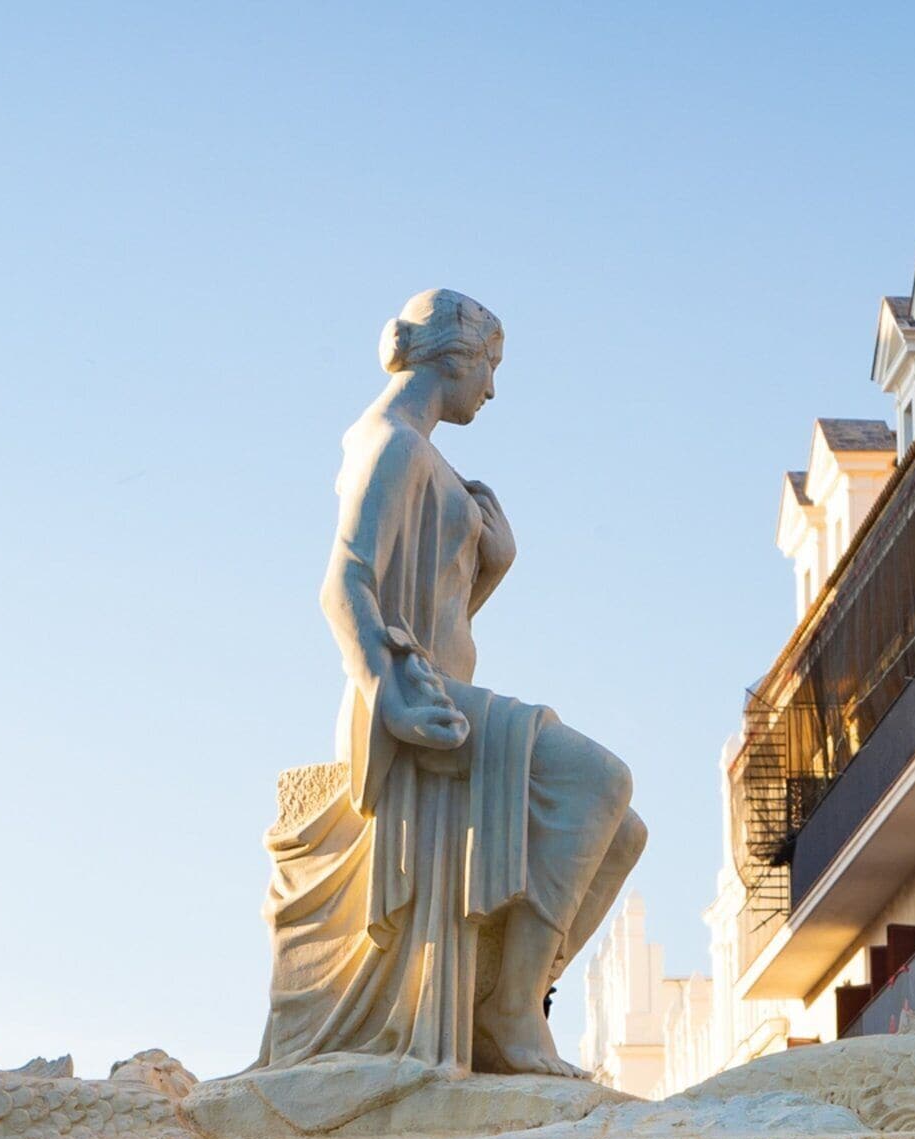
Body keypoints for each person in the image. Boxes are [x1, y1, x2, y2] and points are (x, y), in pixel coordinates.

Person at [256, 289, 647, 1085]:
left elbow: (430, 602)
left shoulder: (421, 454)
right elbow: (344, 583)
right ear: (457, 357)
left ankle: (511, 999)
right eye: (492, 367)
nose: (493, 390)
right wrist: (388, 690)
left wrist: (490, 568)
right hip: (405, 702)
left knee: (625, 833)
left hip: (438, 695)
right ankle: (505, 1016)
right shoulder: (394, 444)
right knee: (600, 780)